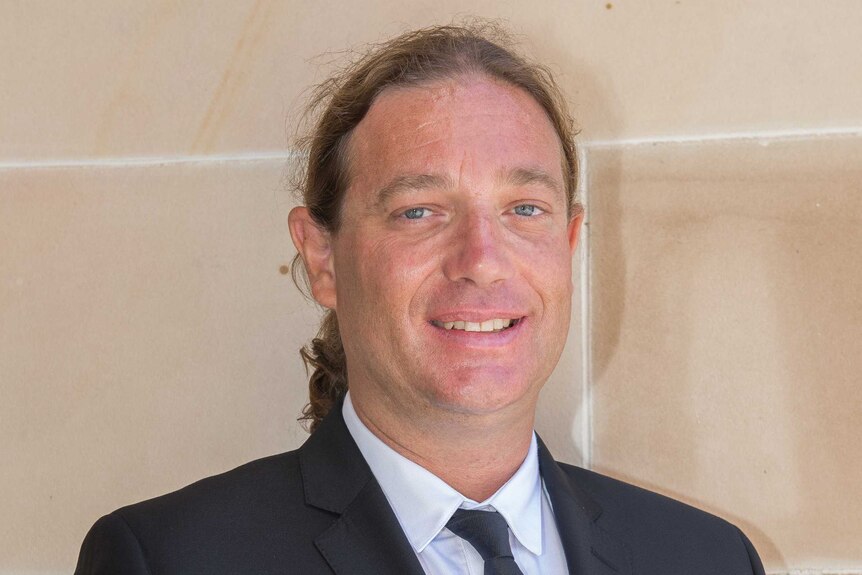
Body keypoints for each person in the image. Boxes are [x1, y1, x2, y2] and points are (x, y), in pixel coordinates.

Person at [75, 23, 765, 575]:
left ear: (571, 242)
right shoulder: (170, 558)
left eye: (524, 209)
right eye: (419, 211)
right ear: (323, 257)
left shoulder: (706, 558)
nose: (481, 260)